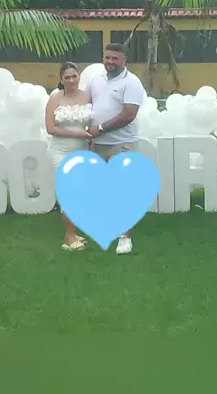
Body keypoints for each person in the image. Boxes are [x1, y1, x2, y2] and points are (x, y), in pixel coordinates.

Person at [88, 43, 147, 255]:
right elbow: (87, 106)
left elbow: (129, 114)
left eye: (115, 58)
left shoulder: (132, 82)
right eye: (107, 57)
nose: (110, 62)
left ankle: (125, 238)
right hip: (98, 144)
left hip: (122, 143)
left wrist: (100, 128)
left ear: (124, 61)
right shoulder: (96, 80)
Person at [45, 61, 93, 251]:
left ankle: (73, 231)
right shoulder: (55, 98)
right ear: (61, 79)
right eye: (67, 77)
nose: (72, 80)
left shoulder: (88, 96)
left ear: (79, 76)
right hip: (60, 151)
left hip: (82, 152)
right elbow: (50, 128)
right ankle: (70, 237)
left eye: (74, 76)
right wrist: (76, 133)